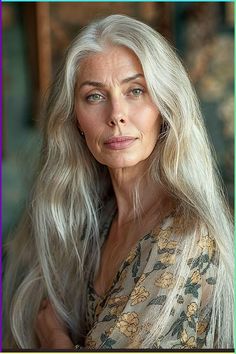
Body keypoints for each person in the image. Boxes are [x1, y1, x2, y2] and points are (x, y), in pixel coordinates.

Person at [3, 14, 234, 349]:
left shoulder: (186, 237)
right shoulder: (94, 216)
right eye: (94, 96)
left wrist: (54, 338)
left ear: (165, 106)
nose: (116, 114)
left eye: (136, 90)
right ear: (76, 120)